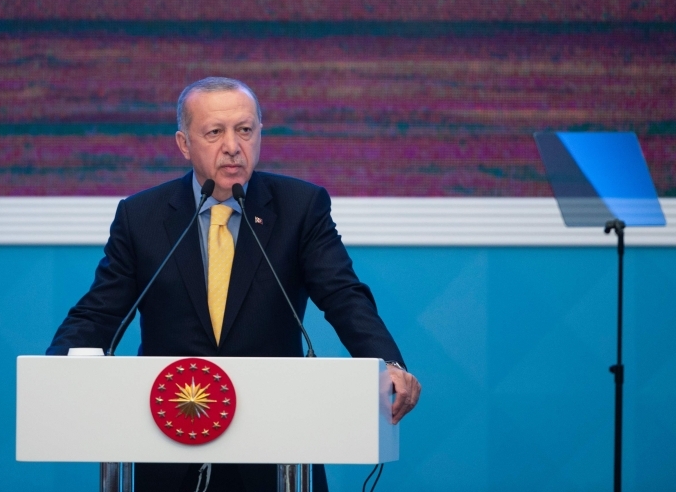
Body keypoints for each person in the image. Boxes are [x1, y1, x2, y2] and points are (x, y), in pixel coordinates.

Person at [48, 77, 421, 492]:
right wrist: (55, 373)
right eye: (214, 132)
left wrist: (388, 362)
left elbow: (343, 296)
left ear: (260, 133)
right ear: (184, 144)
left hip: (276, 445)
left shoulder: (300, 207)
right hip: (170, 443)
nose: (232, 145)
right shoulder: (142, 216)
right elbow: (100, 310)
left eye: (245, 130)